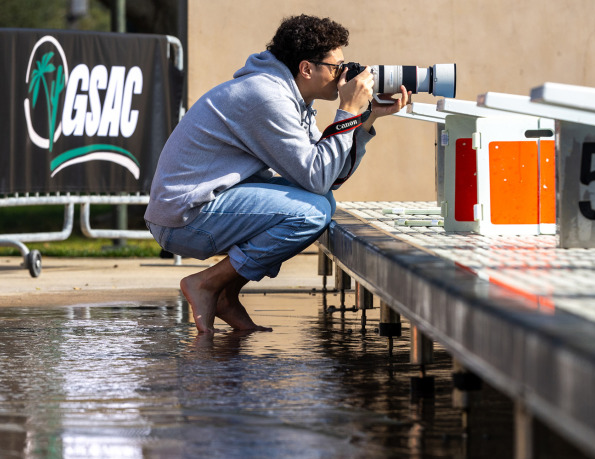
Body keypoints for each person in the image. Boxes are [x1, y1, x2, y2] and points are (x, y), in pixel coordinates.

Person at [144, 14, 409, 334]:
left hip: (198, 206)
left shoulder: (292, 97)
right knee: (312, 212)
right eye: (337, 67)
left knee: (322, 202)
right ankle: (207, 284)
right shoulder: (267, 96)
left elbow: (327, 178)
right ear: (306, 67)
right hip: (184, 216)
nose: (344, 75)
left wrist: (365, 120)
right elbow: (318, 176)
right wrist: (348, 110)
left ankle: (225, 293)